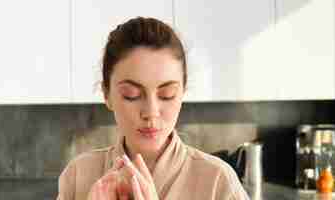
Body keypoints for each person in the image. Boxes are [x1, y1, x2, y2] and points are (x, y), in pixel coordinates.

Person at [57, 17, 249, 200]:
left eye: (167, 94)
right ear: (107, 94)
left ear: (182, 92)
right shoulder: (78, 175)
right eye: (131, 95)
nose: (151, 112)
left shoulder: (219, 181)